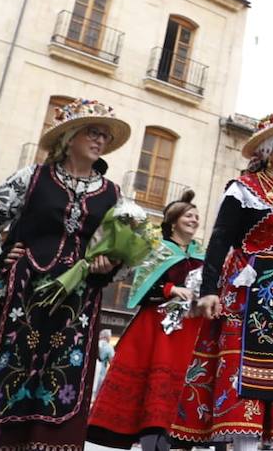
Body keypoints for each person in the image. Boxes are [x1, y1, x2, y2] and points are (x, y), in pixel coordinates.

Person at [0, 98, 125, 451]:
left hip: (77, 303)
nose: (100, 140)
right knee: (2, 370)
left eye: (104, 135)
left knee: (62, 379)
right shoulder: (32, 178)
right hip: (23, 292)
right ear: (70, 136)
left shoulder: (112, 194)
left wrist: (110, 265)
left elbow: (118, 247)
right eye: (92, 132)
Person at [172, 111, 273, 450]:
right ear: (268, 151)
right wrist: (208, 291)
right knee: (245, 378)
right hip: (250, 294)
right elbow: (219, 240)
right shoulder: (244, 189)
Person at [88, 190, 206, 451]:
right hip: (157, 330)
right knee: (153, 397)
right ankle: (152, 443)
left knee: (184, 400)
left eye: (197, 216)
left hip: (191, 331)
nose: (194, 220)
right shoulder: (157, 249)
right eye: (189, 215)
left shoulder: (204, 254)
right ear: (173, 221)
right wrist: (170, 290)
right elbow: (141, 289)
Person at [93, 329, 114, 398]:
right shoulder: (109, 347)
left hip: (91, 373)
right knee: (97, 396)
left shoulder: (93, 344)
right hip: (100, 374)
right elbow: (112, 363)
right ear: (107, 337)